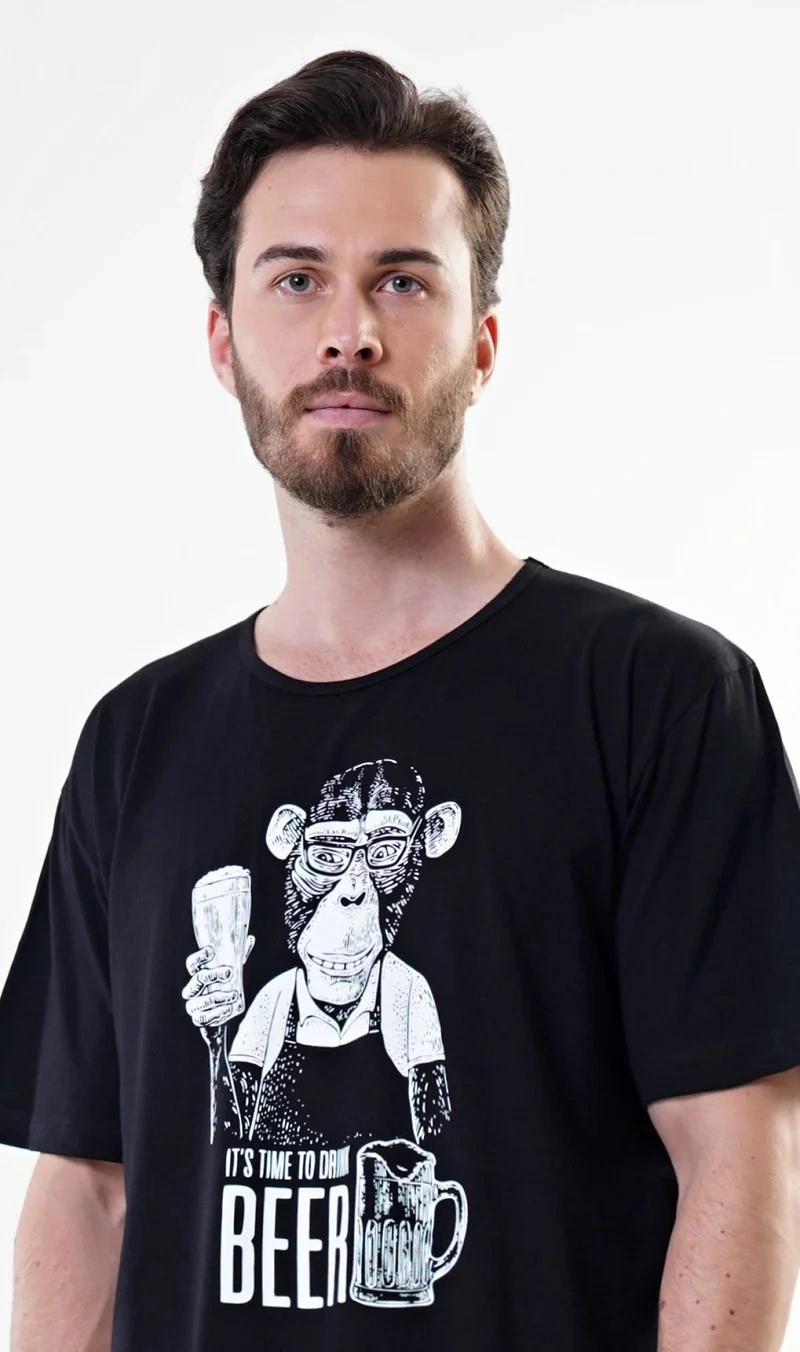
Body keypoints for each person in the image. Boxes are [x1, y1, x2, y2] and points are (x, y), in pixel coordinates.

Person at [0, 46, 799, 1352]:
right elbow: (88, 1188)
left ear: (483, 345)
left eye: (403, 280)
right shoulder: (136, 742)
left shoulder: (658, 700)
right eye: (297, 278)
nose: (349, 332)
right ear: (224, 342)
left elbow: (739, 1156)